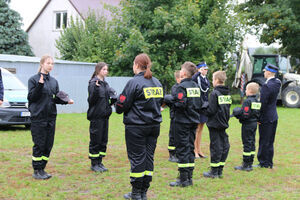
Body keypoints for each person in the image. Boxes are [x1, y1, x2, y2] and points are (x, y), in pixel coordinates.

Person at [115, 53, 163, 200]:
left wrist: (117, 103)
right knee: (149, 158)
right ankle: (143, 192)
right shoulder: (157, 82)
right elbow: (160, 103)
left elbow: (121, 105)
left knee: (137, 158)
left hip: (136, 127)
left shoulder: (133, 83)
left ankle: (136, 193)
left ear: (136, 65)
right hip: (154, 126)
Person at [27, 55, 74, 180]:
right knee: (39, 144)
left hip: (51, 117)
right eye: (48, 63)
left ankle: (43, 168)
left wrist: (66, 101)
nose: (50, 65)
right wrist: (39, 85)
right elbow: (32, 98)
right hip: (38, 118)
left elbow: (55, 98)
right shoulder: (33, 80)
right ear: (42, 64)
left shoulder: (54, 81)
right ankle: (37, 170)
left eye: (52, 63)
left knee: (48, 144)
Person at [168, 62, 201, 187]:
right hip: (193, 121)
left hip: (182, 122)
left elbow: (180, 104)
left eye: (181, 69)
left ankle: (183, 179)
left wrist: (170, 100)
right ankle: (189, 177)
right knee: (190, 148)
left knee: (182, 149)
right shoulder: (196, 86)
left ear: (184, 73)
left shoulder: (181, 87)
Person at [87, 62, 116, 172]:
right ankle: (94, 163)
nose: (106, 71)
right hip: (96, 116)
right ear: (98, 70)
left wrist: (113, 97)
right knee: (96, 139)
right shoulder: (93, 83)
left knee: (103, 139)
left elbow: (109, 97)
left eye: (106, 69)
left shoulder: (105, 83)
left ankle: (100, 162)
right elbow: (91, 101)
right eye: (104, 69)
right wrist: (95, 90)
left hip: (105, 115)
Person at [202, 71, 231, 178]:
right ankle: (219, 170)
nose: (212, 82)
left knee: (215, 147)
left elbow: (211, 110)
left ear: (216, 80)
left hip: (214, 124)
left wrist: (204, 107)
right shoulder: (227, 93)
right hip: (223, 123)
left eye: (213, 79)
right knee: (224, 146)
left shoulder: (214, 93)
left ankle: (214, 172)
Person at [255, 63, 281, 169]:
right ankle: (269, 162)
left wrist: (259, 117)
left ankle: (263, 162)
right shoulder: (277, 82)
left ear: (269, 72)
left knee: (264, 140)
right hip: (273, 116)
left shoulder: (266, 86)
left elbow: (263, 104)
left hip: (266, 116)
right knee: (270, 141)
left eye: (265, 71)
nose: (264, 72)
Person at [232, 82, 261, 171]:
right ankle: (250, 162)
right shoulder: (257, 101)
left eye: (246, 89)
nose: (245, 91)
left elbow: (245, 114)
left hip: (247, 124)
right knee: (252, 142)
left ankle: (246, 164)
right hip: (254, 124)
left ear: (249, 91)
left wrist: (238, 116)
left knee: (247, 143)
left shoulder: (247, 101)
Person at [192, 61, 210, 159]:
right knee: (196, 129)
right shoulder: (197, 78)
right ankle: (194, 150)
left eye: (206, 69)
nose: (205, 71)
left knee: (201, 129)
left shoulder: (206, 80)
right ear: (199, 69)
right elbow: (193, 79)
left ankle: (199, 150)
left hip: (204, 107)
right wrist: (198, 72)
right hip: (198, 106)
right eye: (204, 69)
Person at [166, 70, 181, 163]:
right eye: (181, 78)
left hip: (181, 116)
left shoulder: (182, 87)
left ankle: (178, 153)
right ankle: (172, 154)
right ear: (177, 78)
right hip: (175, 115)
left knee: (179, 135)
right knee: (173, 136)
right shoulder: (175, 88)